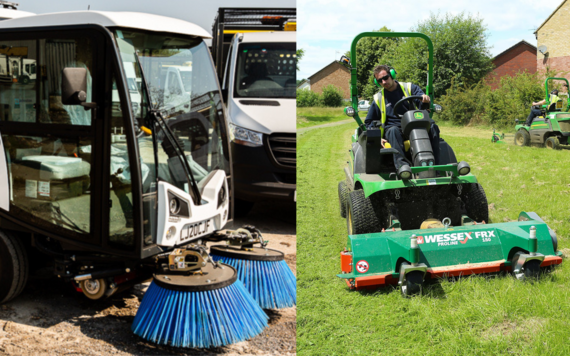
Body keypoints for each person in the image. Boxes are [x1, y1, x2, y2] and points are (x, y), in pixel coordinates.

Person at [364, 65, 440, 170]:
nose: (384, 82)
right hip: (394, 128)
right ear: (377, 82)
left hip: (414, 123)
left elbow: (422, 105)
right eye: (380, 81)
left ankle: (437, 164)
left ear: (392, 75)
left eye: (385, 78)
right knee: (393, 131)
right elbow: (369, 121)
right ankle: (403, 167)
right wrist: (377, 137)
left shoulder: (409, 88)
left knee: (432, 126)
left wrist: (425, 101)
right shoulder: (379, 98)